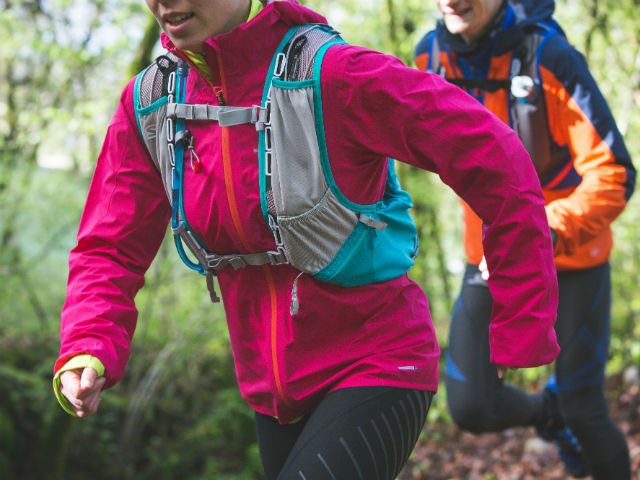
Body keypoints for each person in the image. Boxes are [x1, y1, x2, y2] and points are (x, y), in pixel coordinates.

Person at [52, 1, 561, 478]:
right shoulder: (151, 105)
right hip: (269, 391)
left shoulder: (337, 76)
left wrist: (520, 319)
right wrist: (87, 344)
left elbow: (495, 158)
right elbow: (110, 244)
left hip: (379, 363)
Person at [415, 0, 635, 478]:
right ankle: (547, 413)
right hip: (487, 261)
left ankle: (571, 416)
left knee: (585, 408)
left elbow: (615, 174)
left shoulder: (550, 57)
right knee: (471, 405)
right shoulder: (428, 60)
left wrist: (542, 232)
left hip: (569, 258)